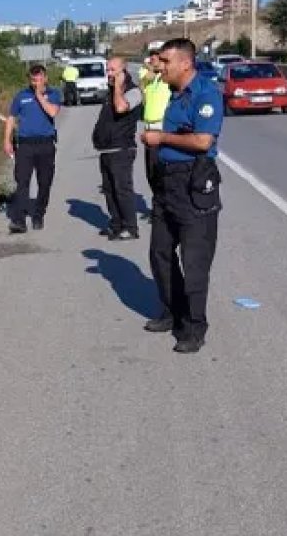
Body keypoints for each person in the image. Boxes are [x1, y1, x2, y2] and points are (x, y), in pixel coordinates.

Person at [140, 39, 224, 354]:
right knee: (160, 252)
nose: (160, 66)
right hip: (167, 184)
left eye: (165, 61)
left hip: (194, 181)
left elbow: (203, 141)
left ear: (185, 64)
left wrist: (161, 137)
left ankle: (194, 326)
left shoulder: (205, 94)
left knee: (194, 261)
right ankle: (171, 311)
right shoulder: (174, 95)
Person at [3, 64, 62, 234]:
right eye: (33, 79)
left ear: (45, 78)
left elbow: (52, 112)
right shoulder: (21, 96)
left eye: (38, 79)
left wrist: (39, 96)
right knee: (22, 181)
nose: (35, 82)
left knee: (45, 182)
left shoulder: (53, 94)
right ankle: (19, 221)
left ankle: (38, 214)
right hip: (25, 144)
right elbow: (11, 118)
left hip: (45, 144)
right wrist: (7, 141)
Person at [91, 57, 143, 240]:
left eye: (113, 70)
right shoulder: (111, 92)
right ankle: (116, 223)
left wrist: (119, 86)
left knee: (122, 190)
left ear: (124, 71)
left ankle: (130, 226)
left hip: (122, 149)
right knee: (109, 190)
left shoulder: (132, 91)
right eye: (108, 70)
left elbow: (121, 108)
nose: (109, 74)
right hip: (106, 150)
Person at [140, 50, 171, 223]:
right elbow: (144, 81)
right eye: (151, 57)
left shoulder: (167, 79)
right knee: (151, 172)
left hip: (162, 127)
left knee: (161, 172)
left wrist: (155, 68)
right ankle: (159, 205)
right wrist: (150, 69)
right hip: (149, 126)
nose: (153, 60)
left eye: (157, 58)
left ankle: (163, 209)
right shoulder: (151, 78)